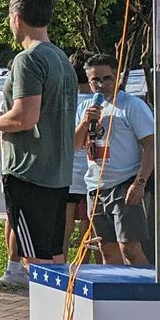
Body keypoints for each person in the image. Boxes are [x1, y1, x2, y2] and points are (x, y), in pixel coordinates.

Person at [0, 0, 76, 288]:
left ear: (16, 19)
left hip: (29, 172)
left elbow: (24, 119)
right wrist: (1, 116)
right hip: (57, 171)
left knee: (36, 260)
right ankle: (58, 311)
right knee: (54, 254)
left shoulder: (28, 59)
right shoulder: (61, 59)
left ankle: (43, 312)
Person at [79, 53, 157, 267]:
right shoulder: (86, 107)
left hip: (124, 184)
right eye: (95, 80)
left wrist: (140, 183)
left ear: (117, 77)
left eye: (107, 78)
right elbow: (75, 145)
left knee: (129, 248)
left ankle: (144, 286)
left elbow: (151, 145)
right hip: (96, 187)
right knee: (106, 249)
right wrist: (85, 122)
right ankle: (116, 287)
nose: (101, 84)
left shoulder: (131, 105)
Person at [65, 54, 93, 256]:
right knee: (88, 228)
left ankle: (61, 266)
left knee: (64, 230)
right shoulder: (100, 103)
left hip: (67, 173)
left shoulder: (65, 103)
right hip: (92, 172)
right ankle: (83, 267)